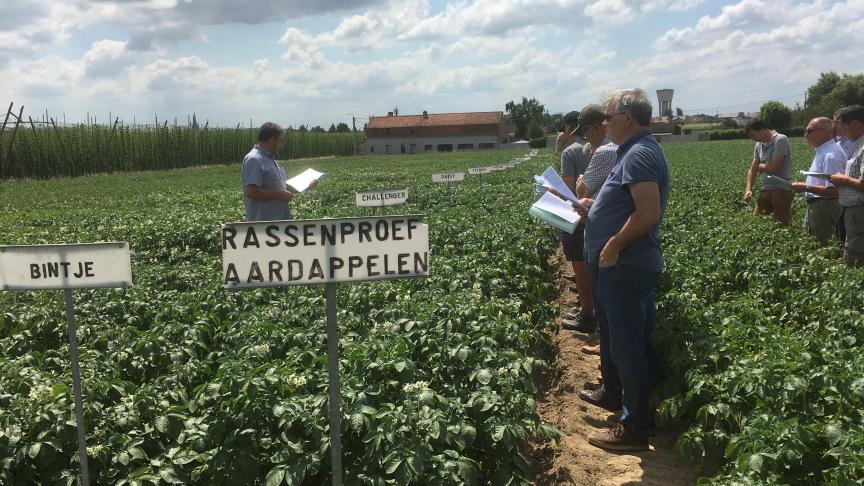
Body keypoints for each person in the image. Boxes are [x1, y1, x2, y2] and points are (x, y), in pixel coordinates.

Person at [574, 88, 670, 452]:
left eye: (608, 117)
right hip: (625, 263)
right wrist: (594, 207)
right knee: (626, 341)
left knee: (628, 347)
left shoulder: (639, 153)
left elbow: (648, 212)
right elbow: (626, 204)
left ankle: (634, 428)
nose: (604, 124)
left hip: (626, 264)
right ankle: (625, 403)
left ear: (627, 117)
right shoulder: (633, 151)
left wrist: (613, 245)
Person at [573, 104, 618, 357]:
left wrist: (581, 182)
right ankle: (608, 346)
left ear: (596, 128)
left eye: (586, 132)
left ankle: (608, 350)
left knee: (605, 298)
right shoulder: (622, 149)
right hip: (612, 230)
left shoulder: (604, 152)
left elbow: (582, 191)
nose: (585, 138)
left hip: (602, 234)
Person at [558, 113, 595, 333]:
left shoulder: (570, 152)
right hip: (598, 213)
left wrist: (548, 190)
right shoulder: (601, 149)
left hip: (577, 214)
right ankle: (592, 308)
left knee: (579, 265)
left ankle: (587, 313)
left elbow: (568, 190)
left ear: (568, 128)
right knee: (593, 264)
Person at [242, 122, 316, 221]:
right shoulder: (254, 159)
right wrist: (277, 194)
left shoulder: (270, 160)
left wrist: (306, 185)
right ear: (273, 139)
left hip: (279, 222)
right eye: (280, 140)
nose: (281, 144)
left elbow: (283, 188)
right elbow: (251, 192)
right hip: (263, 224)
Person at [789, 117, 846, 246]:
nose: (806, 134)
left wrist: (805, 187)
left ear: (823, 132)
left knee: (825, 247)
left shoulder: (830, 155)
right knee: (815, 243)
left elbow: (834, 191)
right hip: (819, 205)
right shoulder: (823, 151)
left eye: (809, 131)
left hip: (825, 206)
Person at [829, 105, 864, 266]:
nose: (841, 132)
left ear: (855, 124)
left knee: (857, 257)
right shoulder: (858, 145)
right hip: (854, 211)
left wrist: (844, 180)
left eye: (843, 127)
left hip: (859, 210)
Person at [743, 118, 794, 225]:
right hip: (766, 188)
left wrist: (760, 166)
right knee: (757, 222)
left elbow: (773, 168)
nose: (753, 139)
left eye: (753, 135)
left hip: (781, 189)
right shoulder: (759, 145)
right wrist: (748, 189)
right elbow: (752, 170)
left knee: (781, 225)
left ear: (762, 129)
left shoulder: (780, 139)